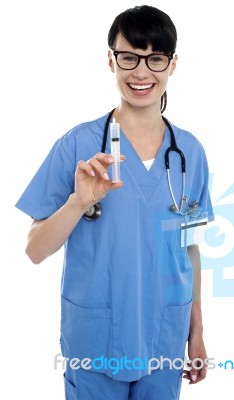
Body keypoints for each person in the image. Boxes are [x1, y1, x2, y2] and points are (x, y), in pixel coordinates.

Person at [16, 5, 214, 400]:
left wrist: (197, 334)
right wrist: (76, 203)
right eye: (129, 57)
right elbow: (35, 250)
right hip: (96, 339)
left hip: (164, 338)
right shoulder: (78, 145)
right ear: (111, 60)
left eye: (155, 58)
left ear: (171, 65)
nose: (141, 73)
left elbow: (189, 249)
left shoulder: (189, 152)